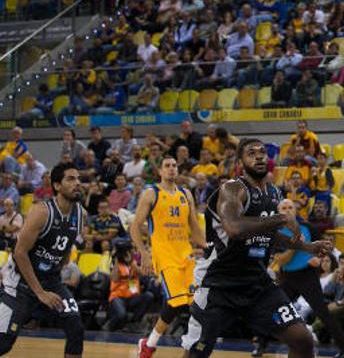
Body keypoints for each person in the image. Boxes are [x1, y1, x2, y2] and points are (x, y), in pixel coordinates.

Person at [180, 139, 332, 357]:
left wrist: (306, 246)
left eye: (262, 152)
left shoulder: (273, 193)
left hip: (257, 285)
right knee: (197, 352)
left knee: (302, 339)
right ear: (241, 162)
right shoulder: (232, 189)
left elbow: (268, 234)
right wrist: (281, 219)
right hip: (218, 284)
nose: (259, 156)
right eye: (251, 153)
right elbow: (234, 228)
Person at [0, 164, 85, 357]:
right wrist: (40, 292)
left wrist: (55, 273)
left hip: (51, 282)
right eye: (70, 179)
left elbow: (64, 248)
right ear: (57, 185)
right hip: (20, 284)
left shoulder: (81, 215)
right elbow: (19, 253)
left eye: (78, 179)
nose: (77, 183)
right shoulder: (41, 212)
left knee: (76, 329)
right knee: (4, 343)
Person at [132, 155, 206, 358]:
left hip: (186, 255)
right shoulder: (150, 193)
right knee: (178, 301)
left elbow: (195, 227)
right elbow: (135, 227)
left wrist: (208, 246)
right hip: (164, 255)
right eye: (167, 166)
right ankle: (152, 343)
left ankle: (152, 344)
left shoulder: (186, 194)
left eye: (174, 165)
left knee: (194, 302)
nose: (171, 169)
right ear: (160, 171)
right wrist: (144, 254)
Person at [273, 199, 344, 358]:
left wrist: (319, 259)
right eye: (284, 208)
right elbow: (281, 260)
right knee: (274, 311)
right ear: (278, 212)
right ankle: (262, 343)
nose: (288, 210)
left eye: (290, 207)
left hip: (307, 276)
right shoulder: (276, 232)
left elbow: (324, 248)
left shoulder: (308, 227)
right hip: (287, 277)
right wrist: (295, 246)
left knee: (323, 312)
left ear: (295, 211)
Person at [106, 242, 154, 331]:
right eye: (130, 251)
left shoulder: (133, 264)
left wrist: (131, 263)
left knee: (148, 296)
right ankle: (109, 326)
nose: (132, 253)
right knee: (121, 314)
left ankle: (133, 322)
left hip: (132, 297)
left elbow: (144, 274)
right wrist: (116, 260)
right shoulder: (117, 265)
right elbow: (115, 279)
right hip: (118, 297)